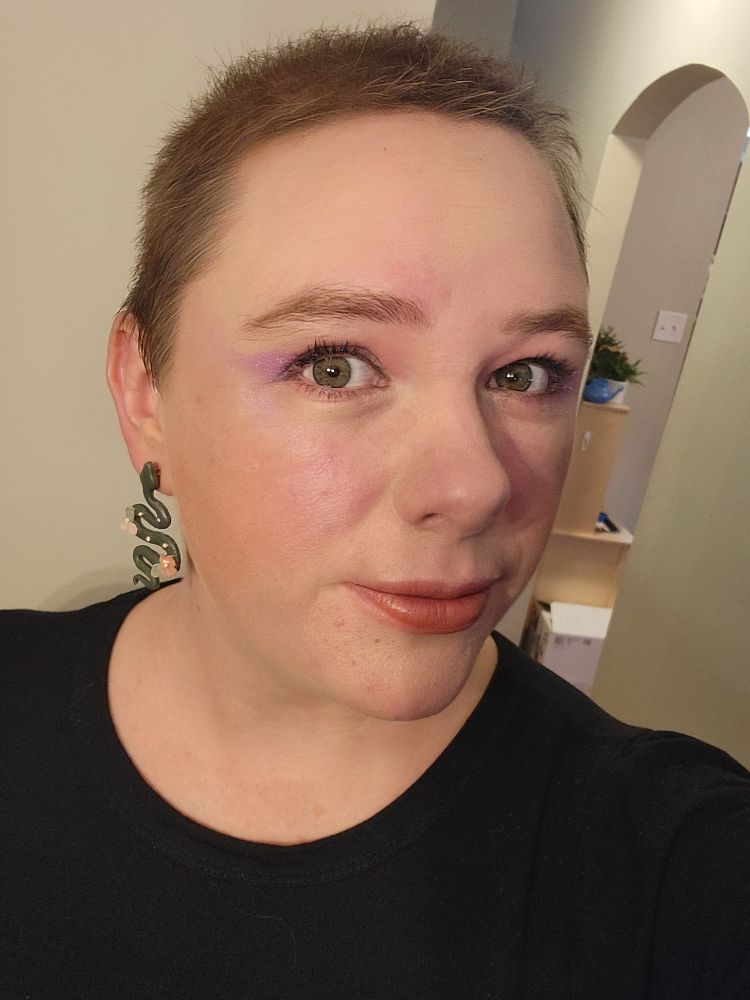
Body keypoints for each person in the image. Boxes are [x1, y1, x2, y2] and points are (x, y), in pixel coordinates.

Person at [1, 23, 748, 999]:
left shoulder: (682, 870)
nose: (475, 484)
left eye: (526, 373)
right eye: (334, 364)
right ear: (145, 390)